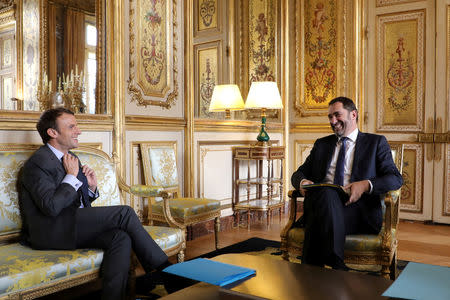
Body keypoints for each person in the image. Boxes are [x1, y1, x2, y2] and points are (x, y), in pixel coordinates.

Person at [18, 108, 173, 300]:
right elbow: (51, 207)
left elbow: (74, 202)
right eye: (72, 126)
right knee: (124, 213)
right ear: (52, 133)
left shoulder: (72, 158)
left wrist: (91, 189)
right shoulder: (38, 164)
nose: (79, 131)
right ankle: (167, 274)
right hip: (50, 231)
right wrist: (71, 176)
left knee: (121, 237)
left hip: (70, 225)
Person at [291, 96, 403, 270]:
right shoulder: (322, 145)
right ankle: (336, 265)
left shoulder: (375, 143)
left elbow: (396, 178)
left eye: (337, 115)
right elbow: (298, 174)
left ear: (353, 115)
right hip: (323, 205)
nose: (333, 121)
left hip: (358, 212)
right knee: (326, 194)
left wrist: (365, 184)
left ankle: (310, 272)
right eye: (330, 117)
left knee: (320, 211)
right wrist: (303, 182)